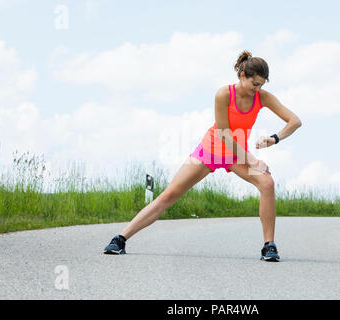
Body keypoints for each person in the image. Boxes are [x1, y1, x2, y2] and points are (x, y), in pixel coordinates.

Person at [103, 50, 302, 262]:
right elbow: (224, 135)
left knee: (267, 184)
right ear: (242, 76)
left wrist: (274, 138)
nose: (258, 89)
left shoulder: (262, 98)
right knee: (169, 195)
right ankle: (120, 239)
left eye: (262, 85)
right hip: (212, 149)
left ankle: (268, 246)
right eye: (255, 84)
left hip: (236, 155)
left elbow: (295, 121)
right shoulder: (224, 94)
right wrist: (254, 160)